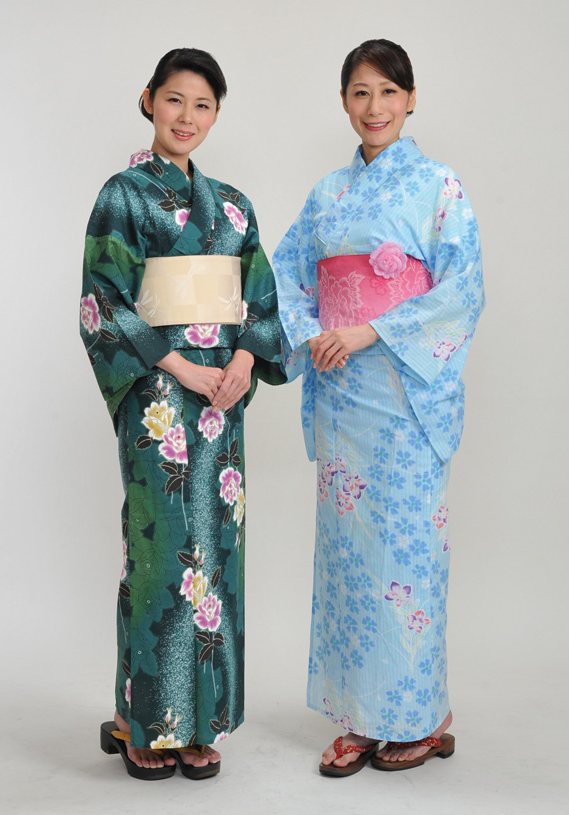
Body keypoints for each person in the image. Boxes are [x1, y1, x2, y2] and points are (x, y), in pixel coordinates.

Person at [272, 39, 484, 776]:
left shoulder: (438, 184)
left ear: (411, 99)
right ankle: (360, 719)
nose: (374, 107)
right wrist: (312, 332)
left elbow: (463, 288)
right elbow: (286, 274)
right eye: (360, 92)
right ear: (343, 102)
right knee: (350, 559)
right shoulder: (327, 193)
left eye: (388, 91)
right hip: (341, 392)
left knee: (407, 555)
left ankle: (419, 718)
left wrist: (371, 331)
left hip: (403, 393)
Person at [80, 48, 285, 781]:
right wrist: (179, 365)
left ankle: (199, 720)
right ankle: (147, 719)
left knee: (217, 553)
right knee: (162, 551)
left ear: (216, 114)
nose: (187, 117)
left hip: (221, 399)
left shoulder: (233, 205)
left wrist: (244, 361)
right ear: (149, 100)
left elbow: (261, 299)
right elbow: (104, 300)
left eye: (202, 105)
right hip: (159, 398)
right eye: (174, 100)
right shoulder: (123, 195)